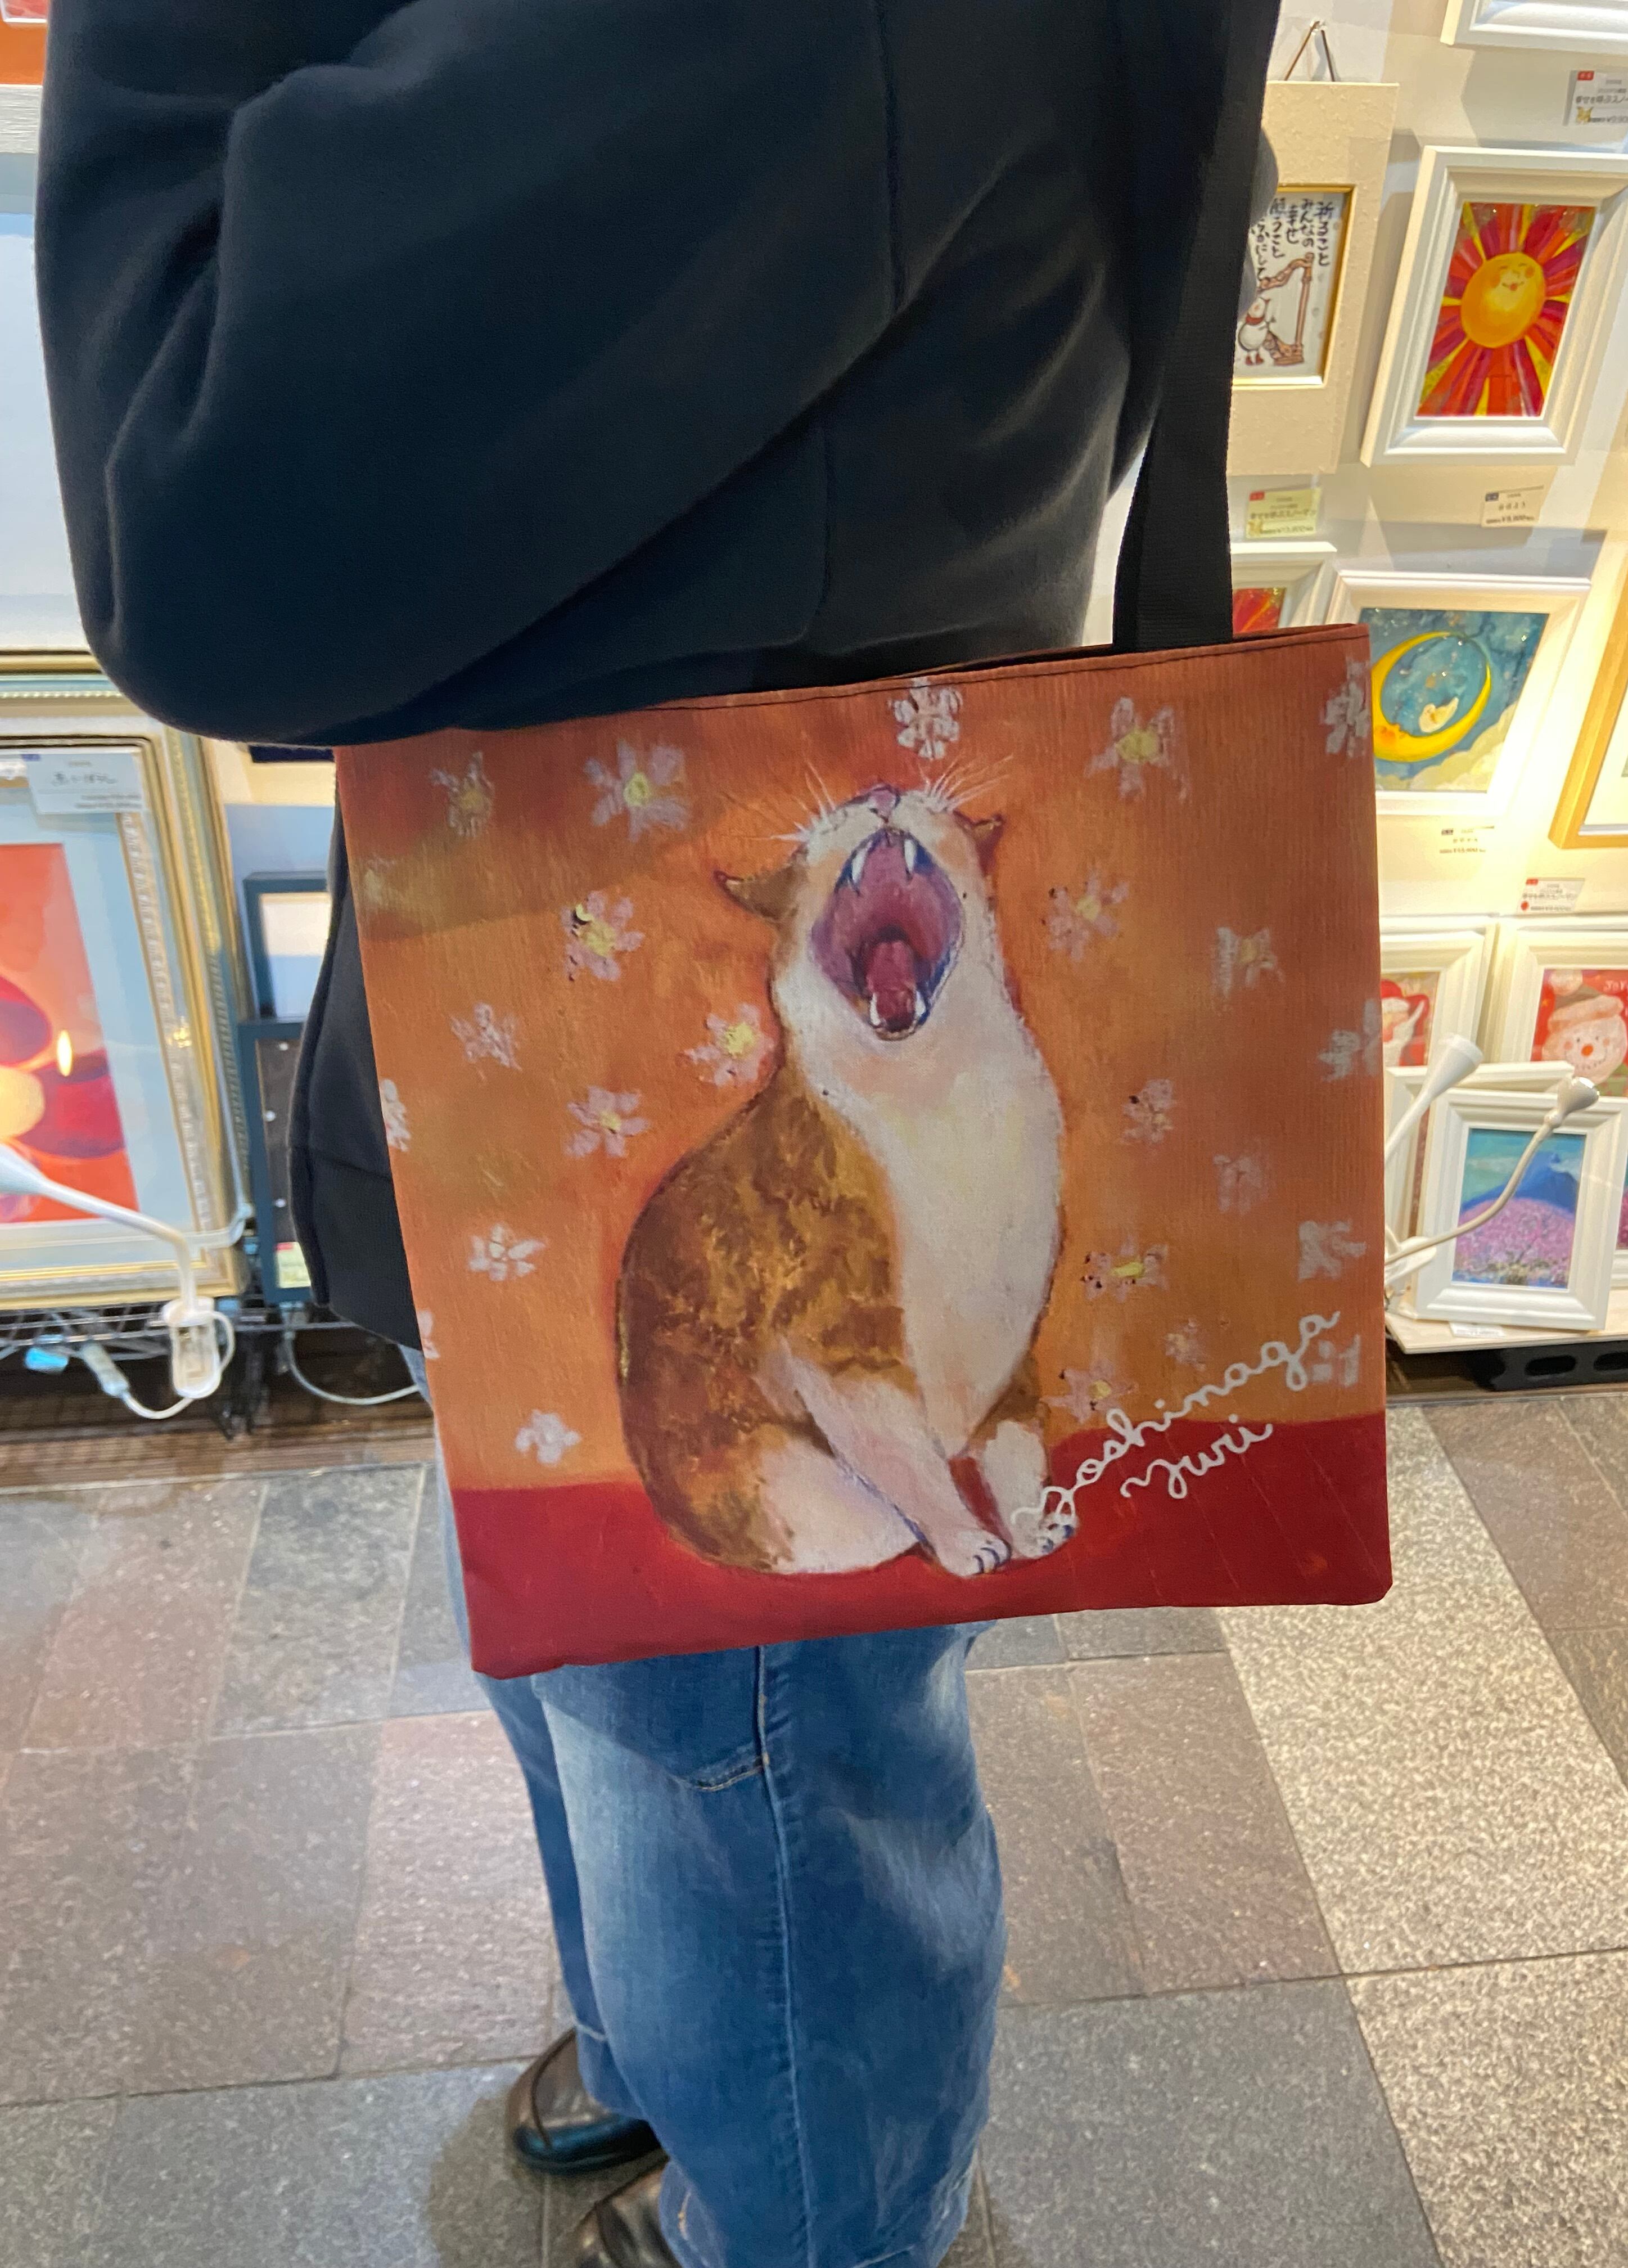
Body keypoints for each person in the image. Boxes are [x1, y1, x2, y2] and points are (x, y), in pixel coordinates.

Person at [35, 5, 1265, 2262]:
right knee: (632, 1665)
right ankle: (675, 2055)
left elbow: (202, 525)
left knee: (751, 1752)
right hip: (560, 965)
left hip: (621, 940)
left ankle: (808, 2220)